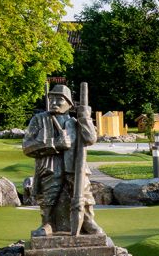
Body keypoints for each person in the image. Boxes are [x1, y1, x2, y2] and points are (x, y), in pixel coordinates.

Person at [22, 85, 102, 237]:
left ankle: (88, 222)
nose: (54, 102)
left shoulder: (75, 122)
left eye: (59, 99)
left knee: (84, 195)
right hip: (50, 166)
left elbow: (91, 138)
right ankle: (47, 224)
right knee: (48, 197)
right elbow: (27, 146)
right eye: (51, 98)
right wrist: (54, 143)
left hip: (75, 166)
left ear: (69, 104)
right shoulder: (39, 120)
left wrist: (85, 117)